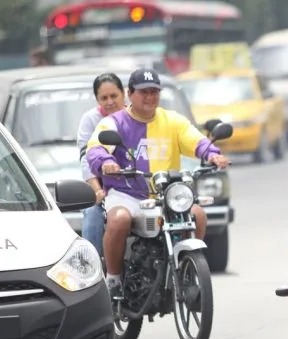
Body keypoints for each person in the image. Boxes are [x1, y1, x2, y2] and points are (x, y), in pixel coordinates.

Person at [86, 68, 230, 297]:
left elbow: (196, 140)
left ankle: (185, 269)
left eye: (154, 92)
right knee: (119, 220)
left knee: (198, 215)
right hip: (127, 193)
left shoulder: (172, 120)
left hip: (166, 195)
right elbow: (95, 150)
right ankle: (113, 279)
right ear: (130, 94)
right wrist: (105, 162)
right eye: (143, 92)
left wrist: (212, 154)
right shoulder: (114, 123)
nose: (150, 97)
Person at [76, 73, 126, 257]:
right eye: (104, 98)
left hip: (135, 187)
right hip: (105, 188)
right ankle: (93, 266)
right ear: (97, 99)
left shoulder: (135, 117)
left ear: (124, 94)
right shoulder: (90, 119)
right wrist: (97, 191)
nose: (110, 102)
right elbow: (86, 157)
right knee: (92, 214)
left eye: (114, 96)